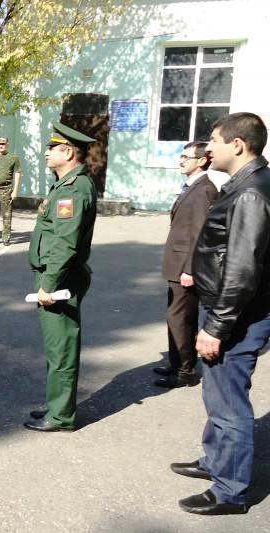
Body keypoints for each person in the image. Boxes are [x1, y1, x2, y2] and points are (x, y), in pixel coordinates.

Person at [171, 112, 270, 516]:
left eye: (213, 140)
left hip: (235, 317)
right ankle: (216, 461)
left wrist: (215, 326)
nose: (207, 148)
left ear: (238, 145)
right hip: (229, 310)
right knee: (217, 395)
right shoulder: (247, 184)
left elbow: (243, 268)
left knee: (229, 402)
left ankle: (229, 490)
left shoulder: (250, 193)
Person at [24, 122, 97, 433]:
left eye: (51, 148)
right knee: (57, 349)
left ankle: (62, 416)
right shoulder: (64, 184)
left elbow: (65, 243)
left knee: (62, 349)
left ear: (68, 152)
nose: (45, 152)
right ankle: (58, 405)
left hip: (60, 279)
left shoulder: (74, 189)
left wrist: (49, 285)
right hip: (56, 276)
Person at [155, 141, 217, 388]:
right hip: (178, 263)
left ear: (201, 161)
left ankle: (186, 370)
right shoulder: (193, 186)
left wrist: (190, 269)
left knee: (179, 318)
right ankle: (176, 363)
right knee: (177, 317)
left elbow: (202, 233)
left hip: (186, 267)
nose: (181, 160)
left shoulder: (204, 190)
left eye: (186, 156)